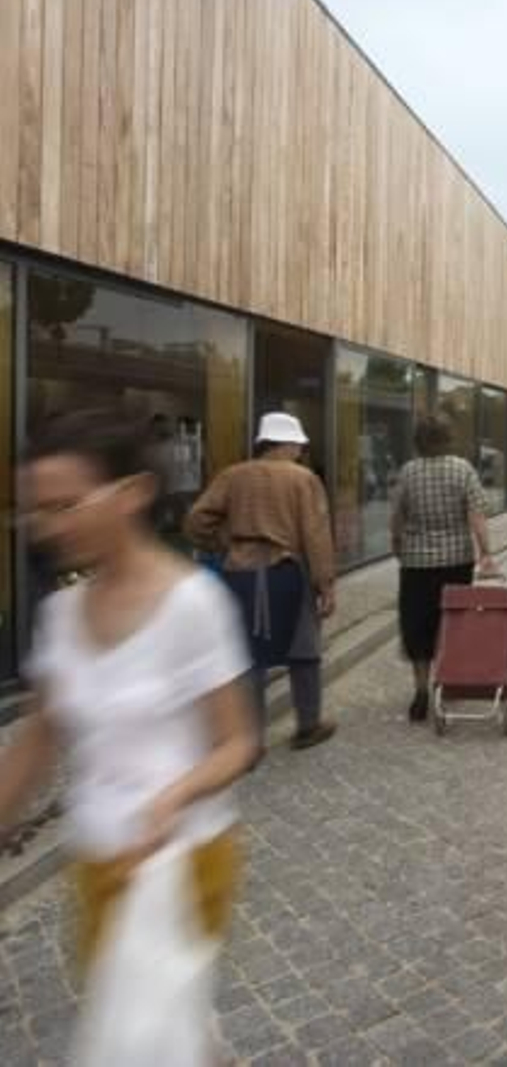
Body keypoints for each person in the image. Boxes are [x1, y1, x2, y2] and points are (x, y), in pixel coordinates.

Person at [0, 409, 257, 1042]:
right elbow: (37, 740)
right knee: (148, 1030)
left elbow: (238, 742)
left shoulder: (193, 603)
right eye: (36, 511)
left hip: (182, 861)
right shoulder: (61, 614)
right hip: (96, 859)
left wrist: (175, 795)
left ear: (132, 493)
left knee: (153, 1031)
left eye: (65, 505)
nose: (48, 527)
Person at [185, 412, 338, 751]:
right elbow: (316, 535)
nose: (300, 452)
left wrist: (224, 544)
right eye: (298, 446)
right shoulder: (303, 479)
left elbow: (196, 520)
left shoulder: (232, 475)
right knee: (304, 650)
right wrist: (325, 585)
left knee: (248, 656)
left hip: (239, 571)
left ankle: (250, 741)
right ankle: (308, 725)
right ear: (288, 444)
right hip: (288, 571)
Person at [391, 415, 496, 722]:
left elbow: (397, 516)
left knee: (417, 626)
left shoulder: (408, 472)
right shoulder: (462, 469)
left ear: (418, 441)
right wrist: (486, 552)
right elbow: (476, 514)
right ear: (449, 438)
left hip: (416, 564)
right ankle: (448, 682)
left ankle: (421, 691)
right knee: (453, 622)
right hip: (456, 562)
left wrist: (397, 545)